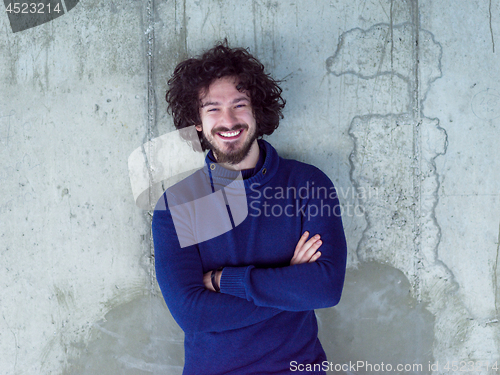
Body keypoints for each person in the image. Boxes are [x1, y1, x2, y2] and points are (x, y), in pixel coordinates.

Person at [152, 41, 347, 375]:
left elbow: (325, 288)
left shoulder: (309, 184)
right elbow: (192, 314)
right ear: (196, 122)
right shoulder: (176, 206)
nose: (228, 120)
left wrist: (223, 280)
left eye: (239, 104)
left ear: (257, 110)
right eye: (212, 108)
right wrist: (288, 281)